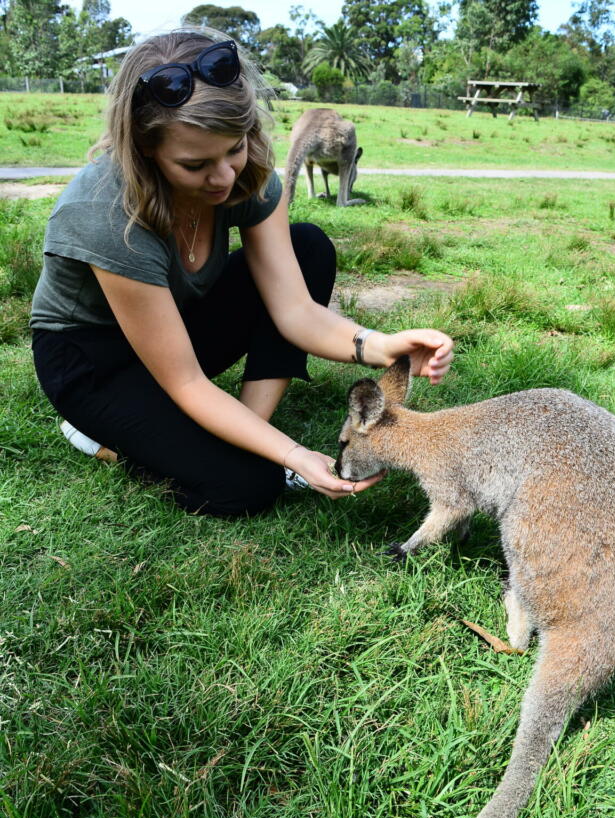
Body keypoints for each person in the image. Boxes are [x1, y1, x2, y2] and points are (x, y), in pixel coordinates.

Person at [30, 30, 453, 517]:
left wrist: (381, 346)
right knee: (245, 488)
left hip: (175, 324)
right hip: (94, 358)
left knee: (308, 245)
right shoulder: (105, 212)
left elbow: (293, 309)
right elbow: (185, 380)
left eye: (234, 148)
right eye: (195, 164)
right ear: (146, 149)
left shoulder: (246, 175)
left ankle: (246, 431)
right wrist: (291, 454)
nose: (225, 177)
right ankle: (99, 434)